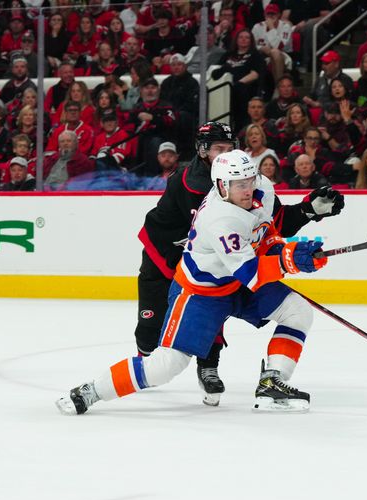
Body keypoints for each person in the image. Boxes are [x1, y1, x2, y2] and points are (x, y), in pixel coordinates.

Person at [56, 150, 327, 415]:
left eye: (250, 180)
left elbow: (263, 234)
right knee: (166, 365)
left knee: (297, 312)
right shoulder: (220, 219)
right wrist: (289, 259)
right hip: (201, 293)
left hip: (235, 283)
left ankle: (271, 383)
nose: (248, 189)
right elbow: (251, 273)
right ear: (222, 186)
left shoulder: (262, 190)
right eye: (239, 184)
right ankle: (91, 391)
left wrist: (288, 248)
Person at [134, 122, 344, 403]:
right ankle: (144, 370)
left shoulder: (241, 182)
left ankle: (208, 367)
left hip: (209, 265)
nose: (226, 154)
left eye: (230, 148)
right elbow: (235, 238)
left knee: (214, 305)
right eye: (218, 149)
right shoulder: (192, 184)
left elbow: (270, 224)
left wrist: (309, 210)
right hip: (164, 260)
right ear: (202, 151)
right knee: (149, 335)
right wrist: (284, 260)